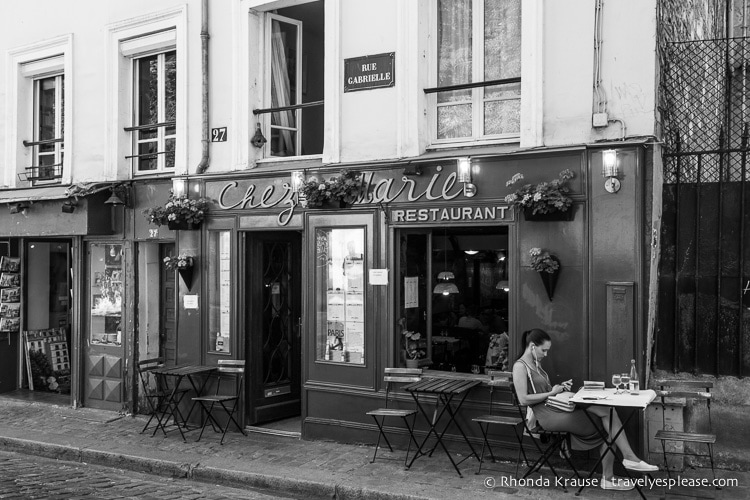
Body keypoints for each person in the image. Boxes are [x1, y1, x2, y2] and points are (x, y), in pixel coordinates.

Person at [512, 328, 658, 491]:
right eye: (543, 350)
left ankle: (621, 467)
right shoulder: (520, 366)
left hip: (556, 409)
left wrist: (558, 389)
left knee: (608, 416)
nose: (546, 354)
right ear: (532, 346)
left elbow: (545, 393)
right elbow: (523, 399)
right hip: (548, 417)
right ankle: (619, 468)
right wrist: (552, 392)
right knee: (609, 423)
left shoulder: (536, 365)